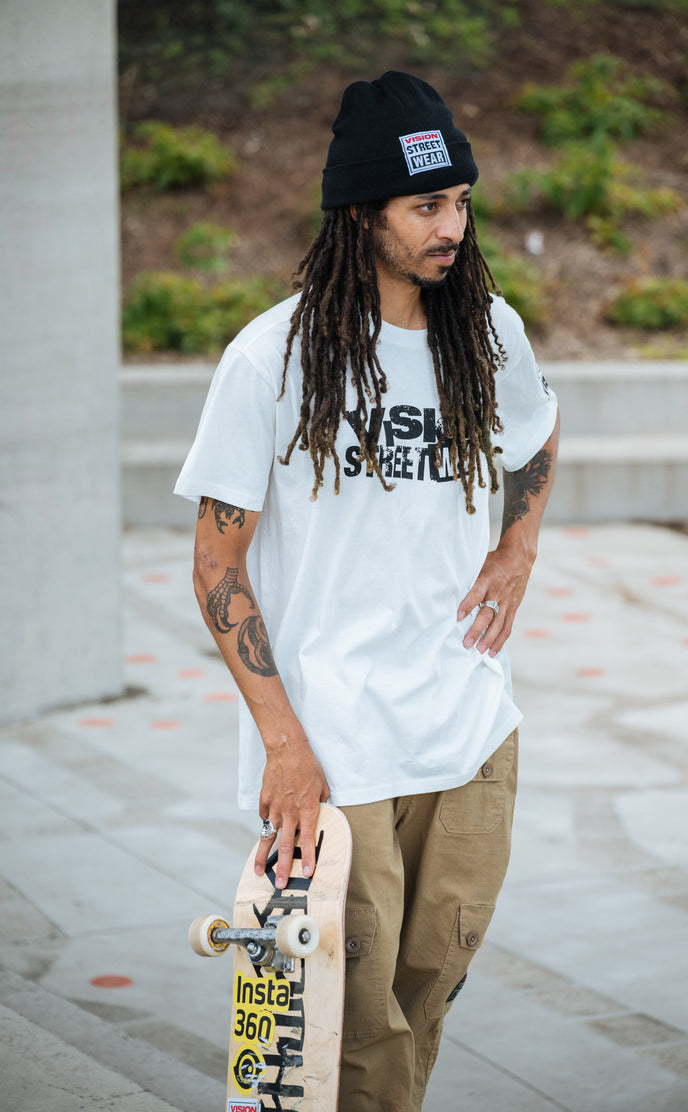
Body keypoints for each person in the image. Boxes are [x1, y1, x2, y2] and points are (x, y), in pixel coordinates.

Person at [175, 70, 559, 1112]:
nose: (453, 227)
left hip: (468, 729)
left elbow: (537, 429)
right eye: (426, 206)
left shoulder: (487, 332)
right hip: (337, 747)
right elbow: (216, 566)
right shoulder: (270, 359)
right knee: (345, 1027)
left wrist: (517, 547)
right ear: (359, 213)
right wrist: (284, 747)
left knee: (423, 1002)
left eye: (461, 202)